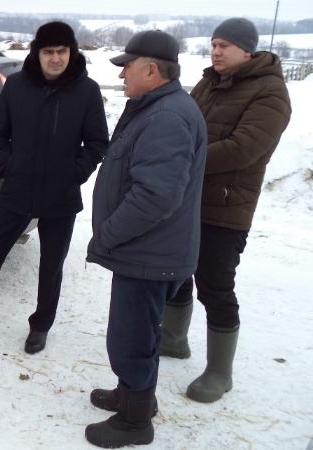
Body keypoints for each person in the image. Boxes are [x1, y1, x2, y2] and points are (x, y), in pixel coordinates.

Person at [0, 22, 109, 354]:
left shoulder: (86, 90)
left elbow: (97, 142)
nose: (55, 58)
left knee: (51, 265)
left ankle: (40, 326)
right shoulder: (17, 85)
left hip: (61, 194)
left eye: (62, 51)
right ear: (37, 53)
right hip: (18, 189)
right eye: (49, 51)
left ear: (71, 52)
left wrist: (74, 173)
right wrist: (8, 166)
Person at [84, 30, 207, 448]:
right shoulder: (158, 107)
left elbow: (157, 195)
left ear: (151, 70)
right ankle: (133, 395)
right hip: (150, 251)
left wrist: (109, 234)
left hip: (148, 253)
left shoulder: (166, 116)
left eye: (127, 67)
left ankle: (134, 423)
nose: (121, 75)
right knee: (139, 332)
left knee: (131, 338)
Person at [161, 18, 291, 403]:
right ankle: (173, 340)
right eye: (214, 44)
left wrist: (182, 158)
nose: (215, 52)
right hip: (188, 198)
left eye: (224, 46)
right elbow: (185, 125)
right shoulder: (208, 83)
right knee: (176, 271)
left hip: (226, 207)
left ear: (247, 50)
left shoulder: (271, 92)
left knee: (215, 286)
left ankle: (220, 372)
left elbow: (243, 149)